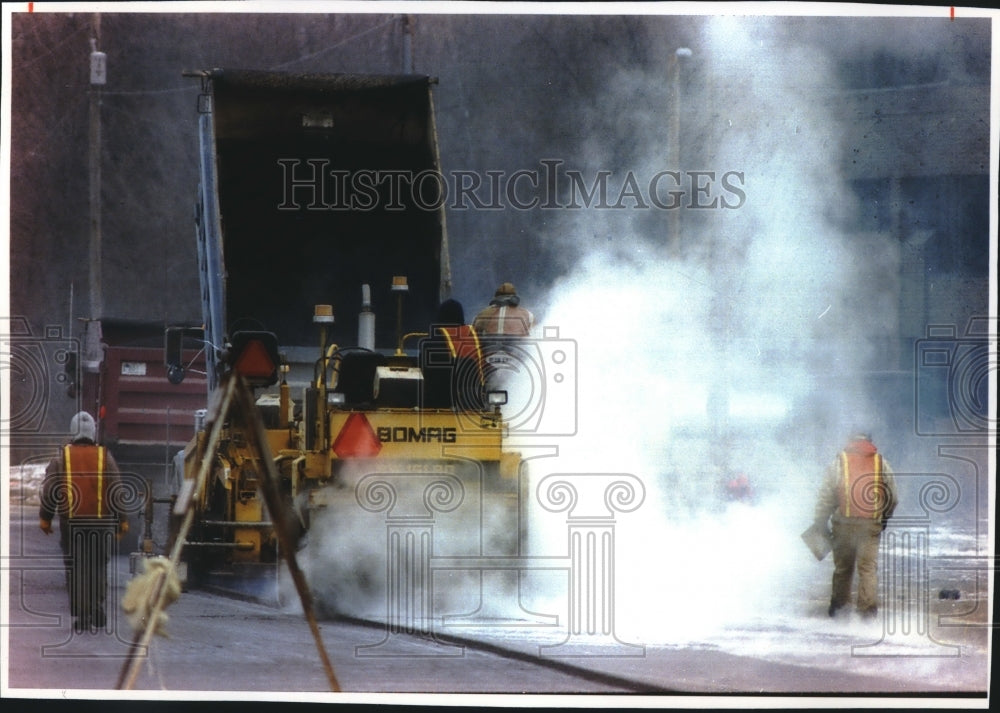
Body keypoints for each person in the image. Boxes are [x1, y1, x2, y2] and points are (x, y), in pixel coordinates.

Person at [39, 411, 128, 632]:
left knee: (76, 568)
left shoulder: (62, 458)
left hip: (72, 524)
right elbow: (116, 490)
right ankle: (96, 604)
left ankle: (83, 613)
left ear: (72, 432)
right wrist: (122, 520)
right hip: (101, 523)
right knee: (98, 566)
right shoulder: (104, 457)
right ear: (93, 433)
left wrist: (46, 518)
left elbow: (50, 490)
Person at [813, 431, 898, 619]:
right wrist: (884, 517)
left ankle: (839, 610)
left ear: (850, 440)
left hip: (843, 523)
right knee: (867, 569)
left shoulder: (839, 462)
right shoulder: (880, 463)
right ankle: (867, 614)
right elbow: (892, 496)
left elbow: (826, 495)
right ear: (870, 440)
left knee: (843, 569)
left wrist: (820, 521)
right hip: (870, 525)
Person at [422, 299, 485, 410]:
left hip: (438, 403)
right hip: (473, 402)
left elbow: (425, 371)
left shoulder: (432, 341)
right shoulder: (475, 338)